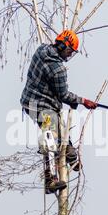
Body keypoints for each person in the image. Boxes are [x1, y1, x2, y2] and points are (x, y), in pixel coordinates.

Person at [20, 30, 97, 194]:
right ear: (62, 45)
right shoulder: (57, 69)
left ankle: (68, 152)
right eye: (69, 51)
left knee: (57, 125)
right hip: (40, 105)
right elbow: (63, 95)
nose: (69, 56)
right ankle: (50, 179)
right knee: (49, 135)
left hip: (29, 100)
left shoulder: (41, 50)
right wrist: (83, 101)